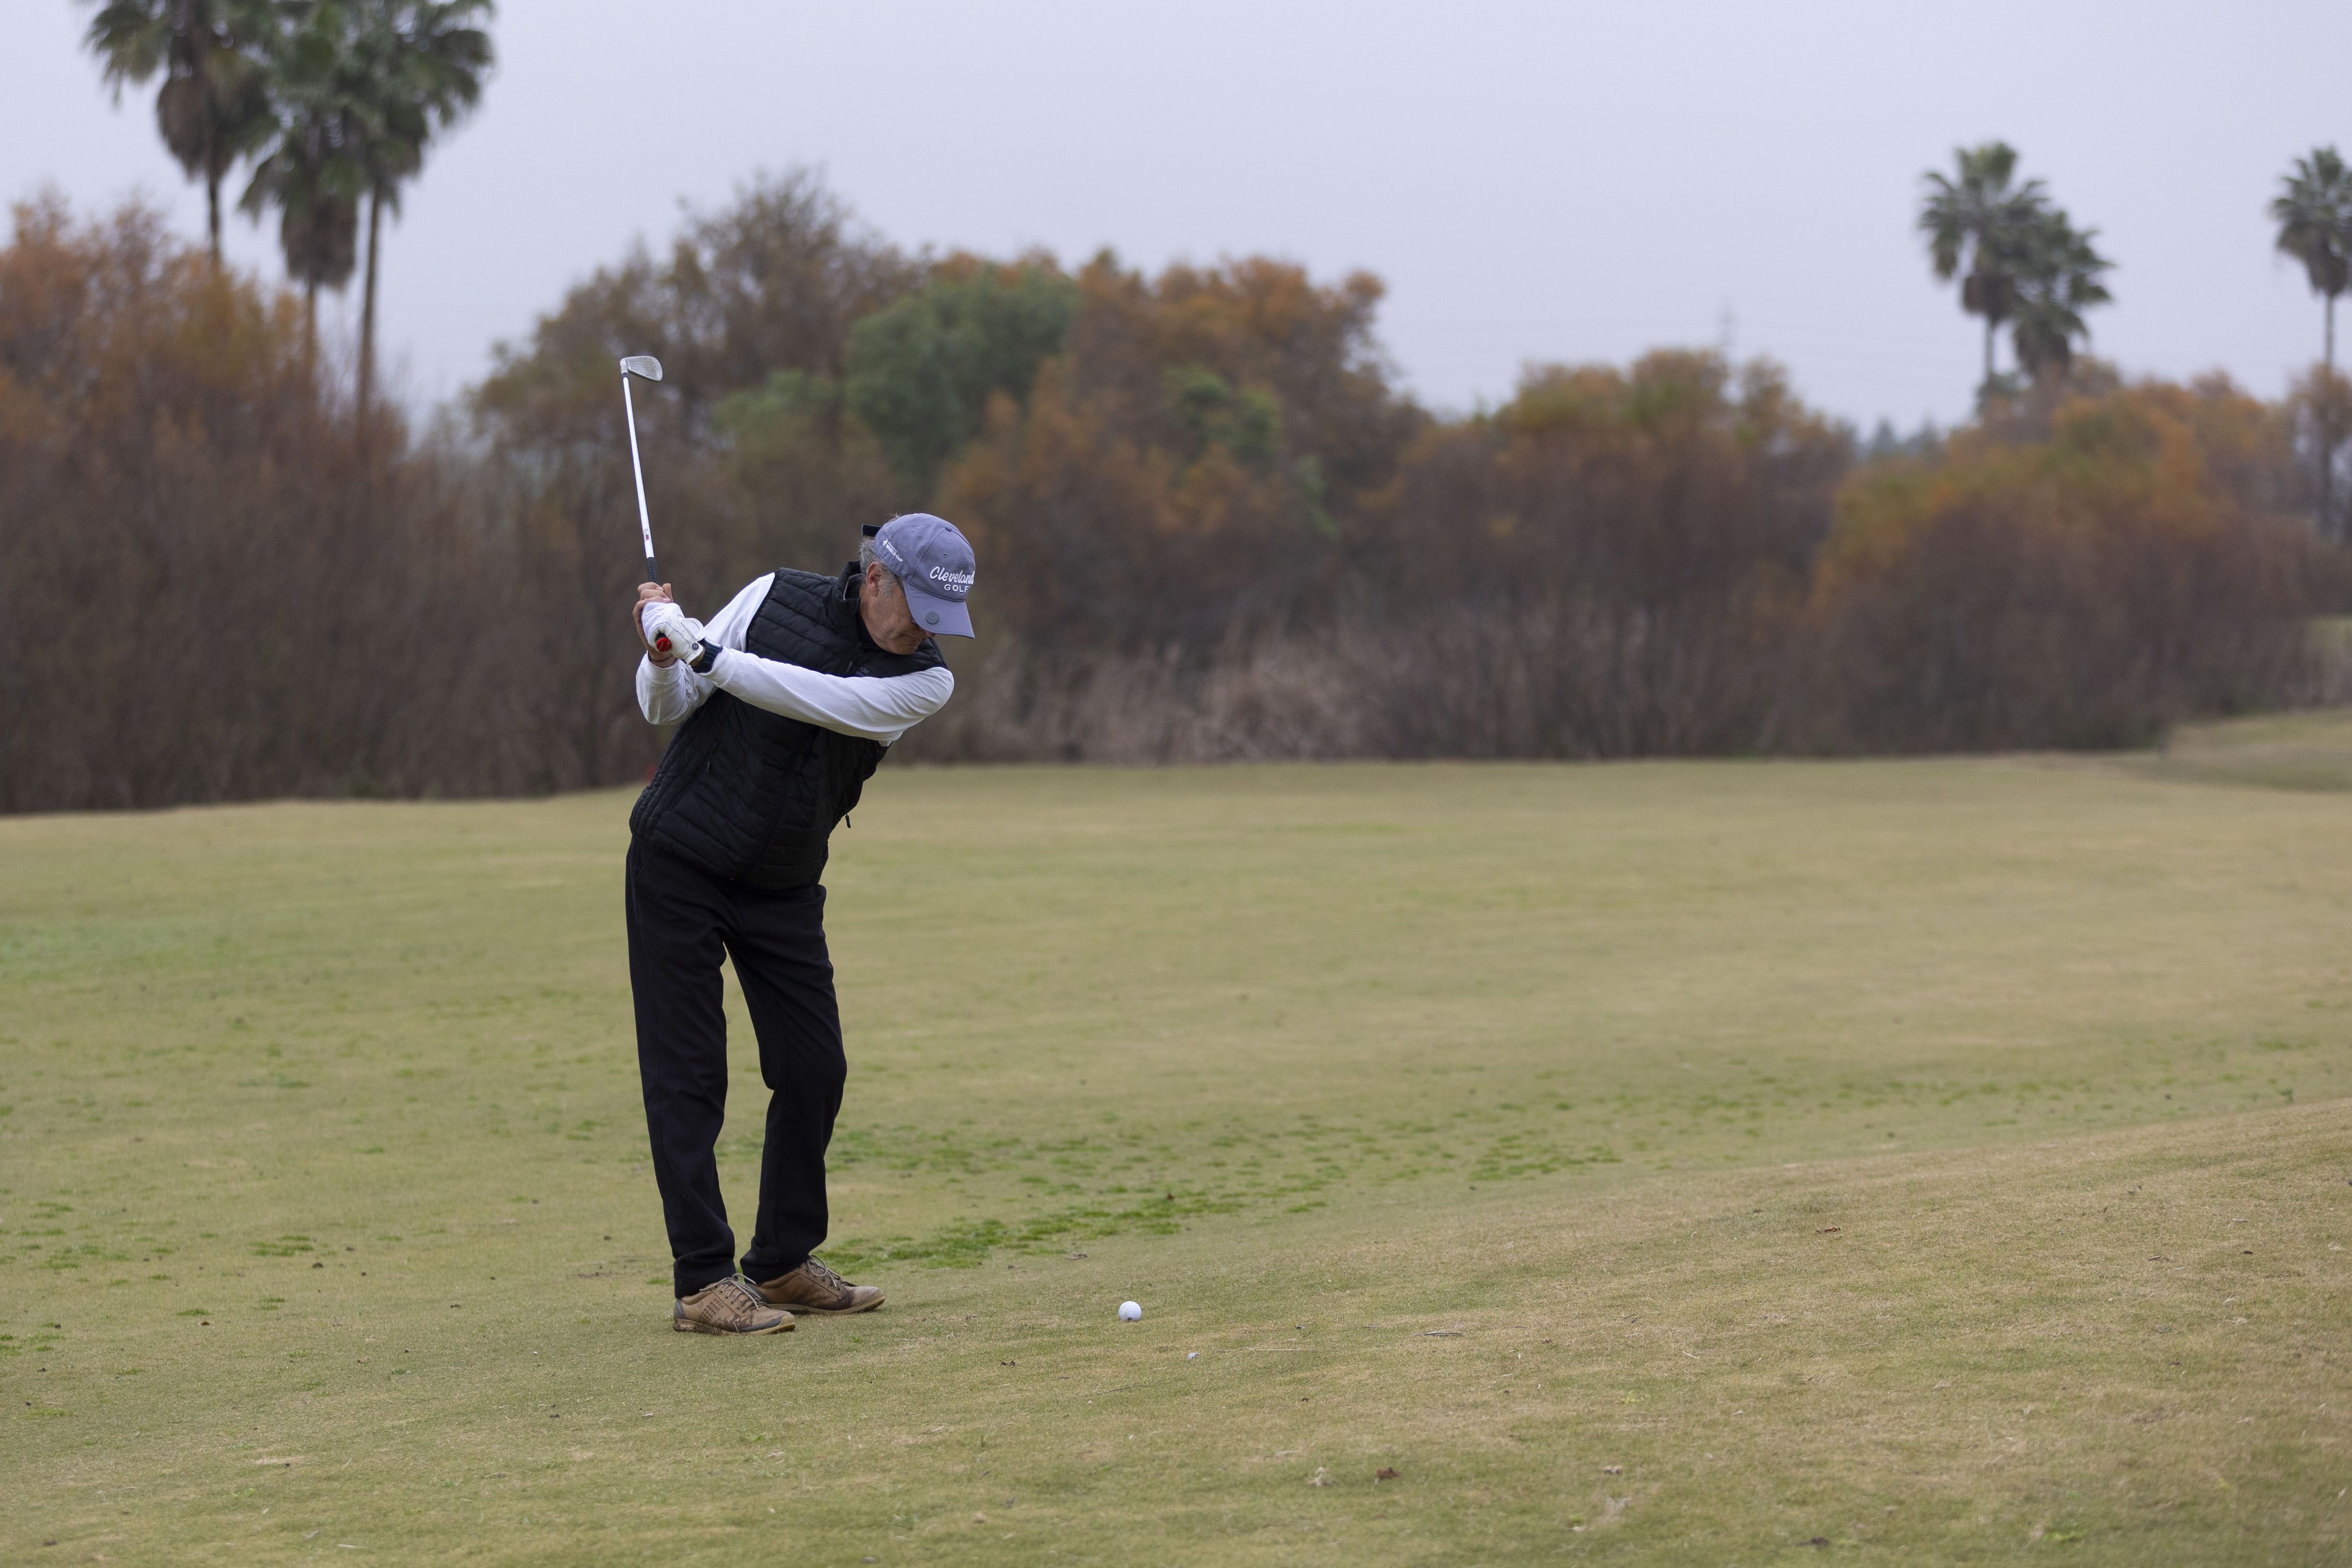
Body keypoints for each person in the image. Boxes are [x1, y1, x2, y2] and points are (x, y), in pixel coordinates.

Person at [625, 513, 976, 1335]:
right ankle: (703, 1281)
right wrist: (663, 652)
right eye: (917, 606)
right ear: (876, 577)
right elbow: (667, 705)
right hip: (679, 858)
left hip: (781, 881)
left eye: (941, 618)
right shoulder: (771, 596)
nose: (925, 630)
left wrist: (707, 647)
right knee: (689, 1076)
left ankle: (781, 1260)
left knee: (816, 1068)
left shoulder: (926, 682)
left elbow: (820, 699)